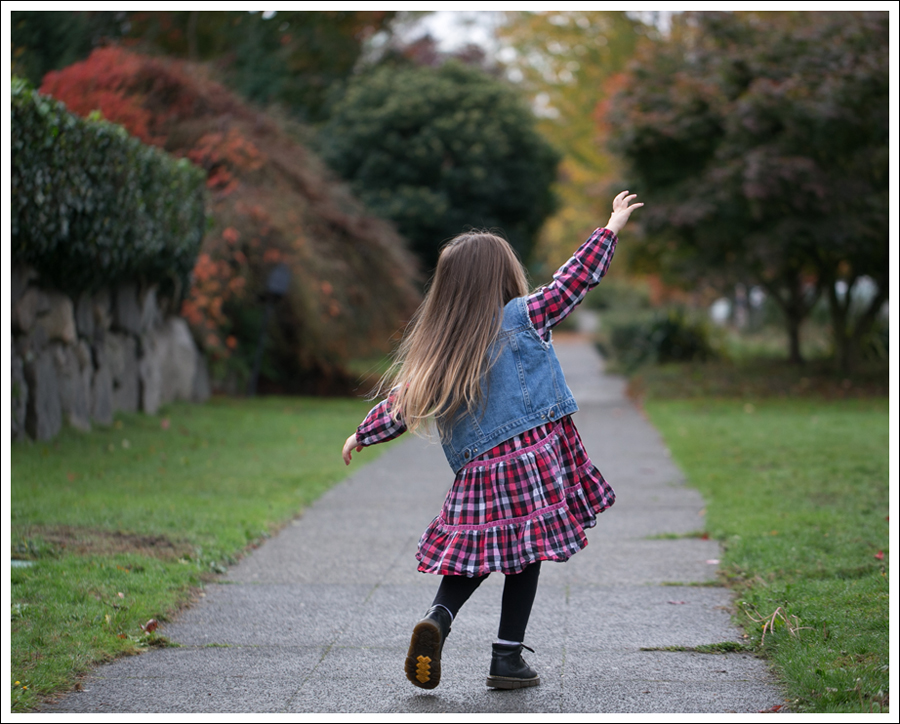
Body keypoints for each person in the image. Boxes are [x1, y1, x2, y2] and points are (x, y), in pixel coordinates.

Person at [342, 191, 643, 690]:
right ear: (504, 276)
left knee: (474, 553)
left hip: (479, 473)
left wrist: (362, 434)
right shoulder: (526, 316)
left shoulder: (444, 346)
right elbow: (574, 281)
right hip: (532, 464)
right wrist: (609, 229)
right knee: (524, 554)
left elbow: (403, 403)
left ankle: (438, 618)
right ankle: (506, 659)